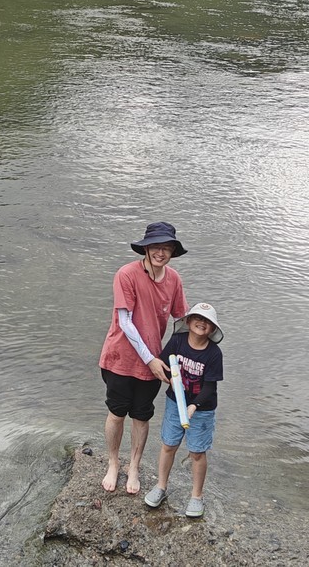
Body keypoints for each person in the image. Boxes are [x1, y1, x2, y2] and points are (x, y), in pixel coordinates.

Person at [98, 222, 189, 495]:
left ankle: (134, 466)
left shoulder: (174, 279)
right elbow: (125, 322)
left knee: (142, 415)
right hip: (119, 357)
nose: (161, 252)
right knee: (117, 413)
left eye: (167, 247)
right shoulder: (126, 274)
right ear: (146, 249)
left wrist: (181, 360)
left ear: (173, 250)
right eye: (156, 247)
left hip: (155, 362)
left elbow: (181, 321)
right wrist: (150, 358)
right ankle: (113, 463)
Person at [142, 302, 224, 518]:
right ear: (188, 321)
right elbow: (164, 363)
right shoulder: (178, 341)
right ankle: (160, 486)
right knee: (169, 444)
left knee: (197, 451)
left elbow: (210, 387)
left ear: (213, 329)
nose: (202, 323)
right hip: (173, 402)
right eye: (198, 318)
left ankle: (197, 496)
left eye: (207, 322)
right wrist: (165, 376)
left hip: (202, 409)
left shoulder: (214, 354)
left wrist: (194, 405)